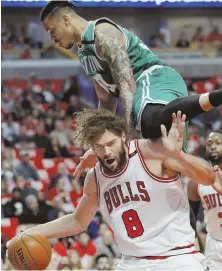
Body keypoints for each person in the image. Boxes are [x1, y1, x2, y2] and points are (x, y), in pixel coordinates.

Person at [7, 109, 222, 270]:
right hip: (132, 263)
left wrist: (179, 155)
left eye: (110, 143)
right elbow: (76, 221)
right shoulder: (95, 178)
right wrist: (29, 233)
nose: (107, 151)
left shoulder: (151, 153)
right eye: (99, 147)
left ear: (122, 135)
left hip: (177, 259)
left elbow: (208, 176)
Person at [40, 1, 222, 180]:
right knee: (168, 169)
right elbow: (105, 100)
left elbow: (127, 88)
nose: (52, 39)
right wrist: (96, 145)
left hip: (155, 78)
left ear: (65, 20)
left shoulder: (104, 34)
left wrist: (128, 141)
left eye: (51, 31)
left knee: (148, 126)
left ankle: (217, 96)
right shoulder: (84, 52)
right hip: (145, 94)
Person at [187, 131, 222, 270]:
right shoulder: (197, 180)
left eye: (218, 143)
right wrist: (193, 239)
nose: (213, 147)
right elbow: (191, 213)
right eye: (209, 144)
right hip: (214, 243)